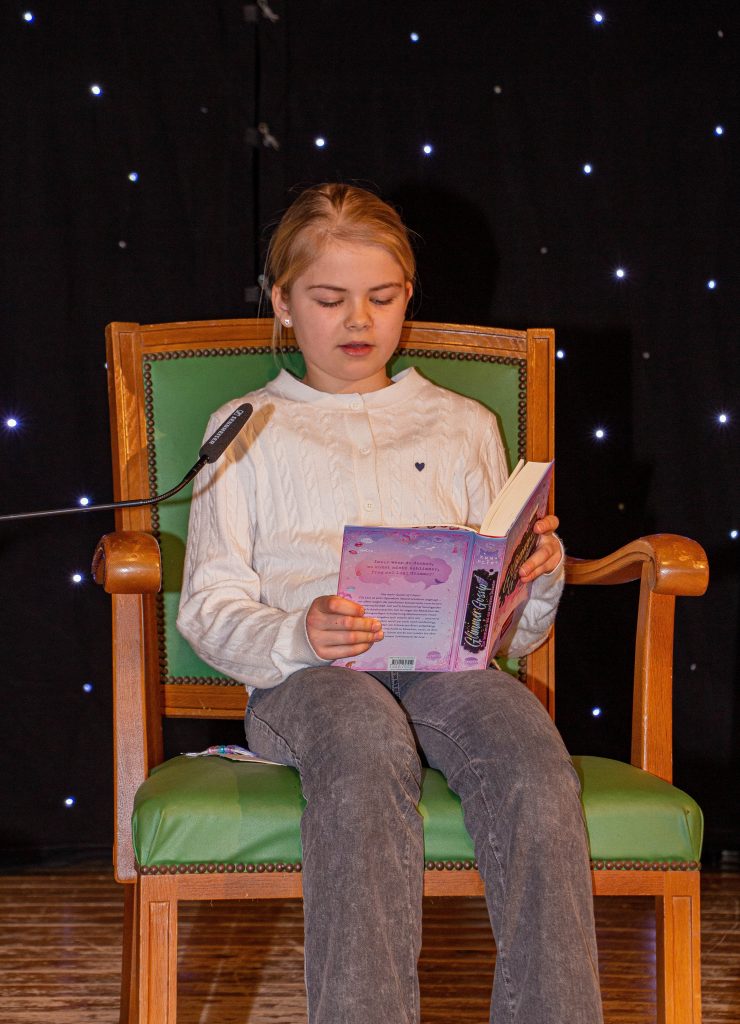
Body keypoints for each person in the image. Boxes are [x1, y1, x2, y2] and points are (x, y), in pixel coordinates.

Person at [177, 183, 603, 1024]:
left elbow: (512, 633)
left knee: (529, 753)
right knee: (363, 738)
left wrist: (534, 577)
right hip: (308, 681)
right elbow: (208, 608)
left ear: (408, 297)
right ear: (283, 303)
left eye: (381, 296)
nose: (358, 320)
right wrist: (299, 633)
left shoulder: (462, 424)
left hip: (445, 671)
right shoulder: (246, 426)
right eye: (329, 298)